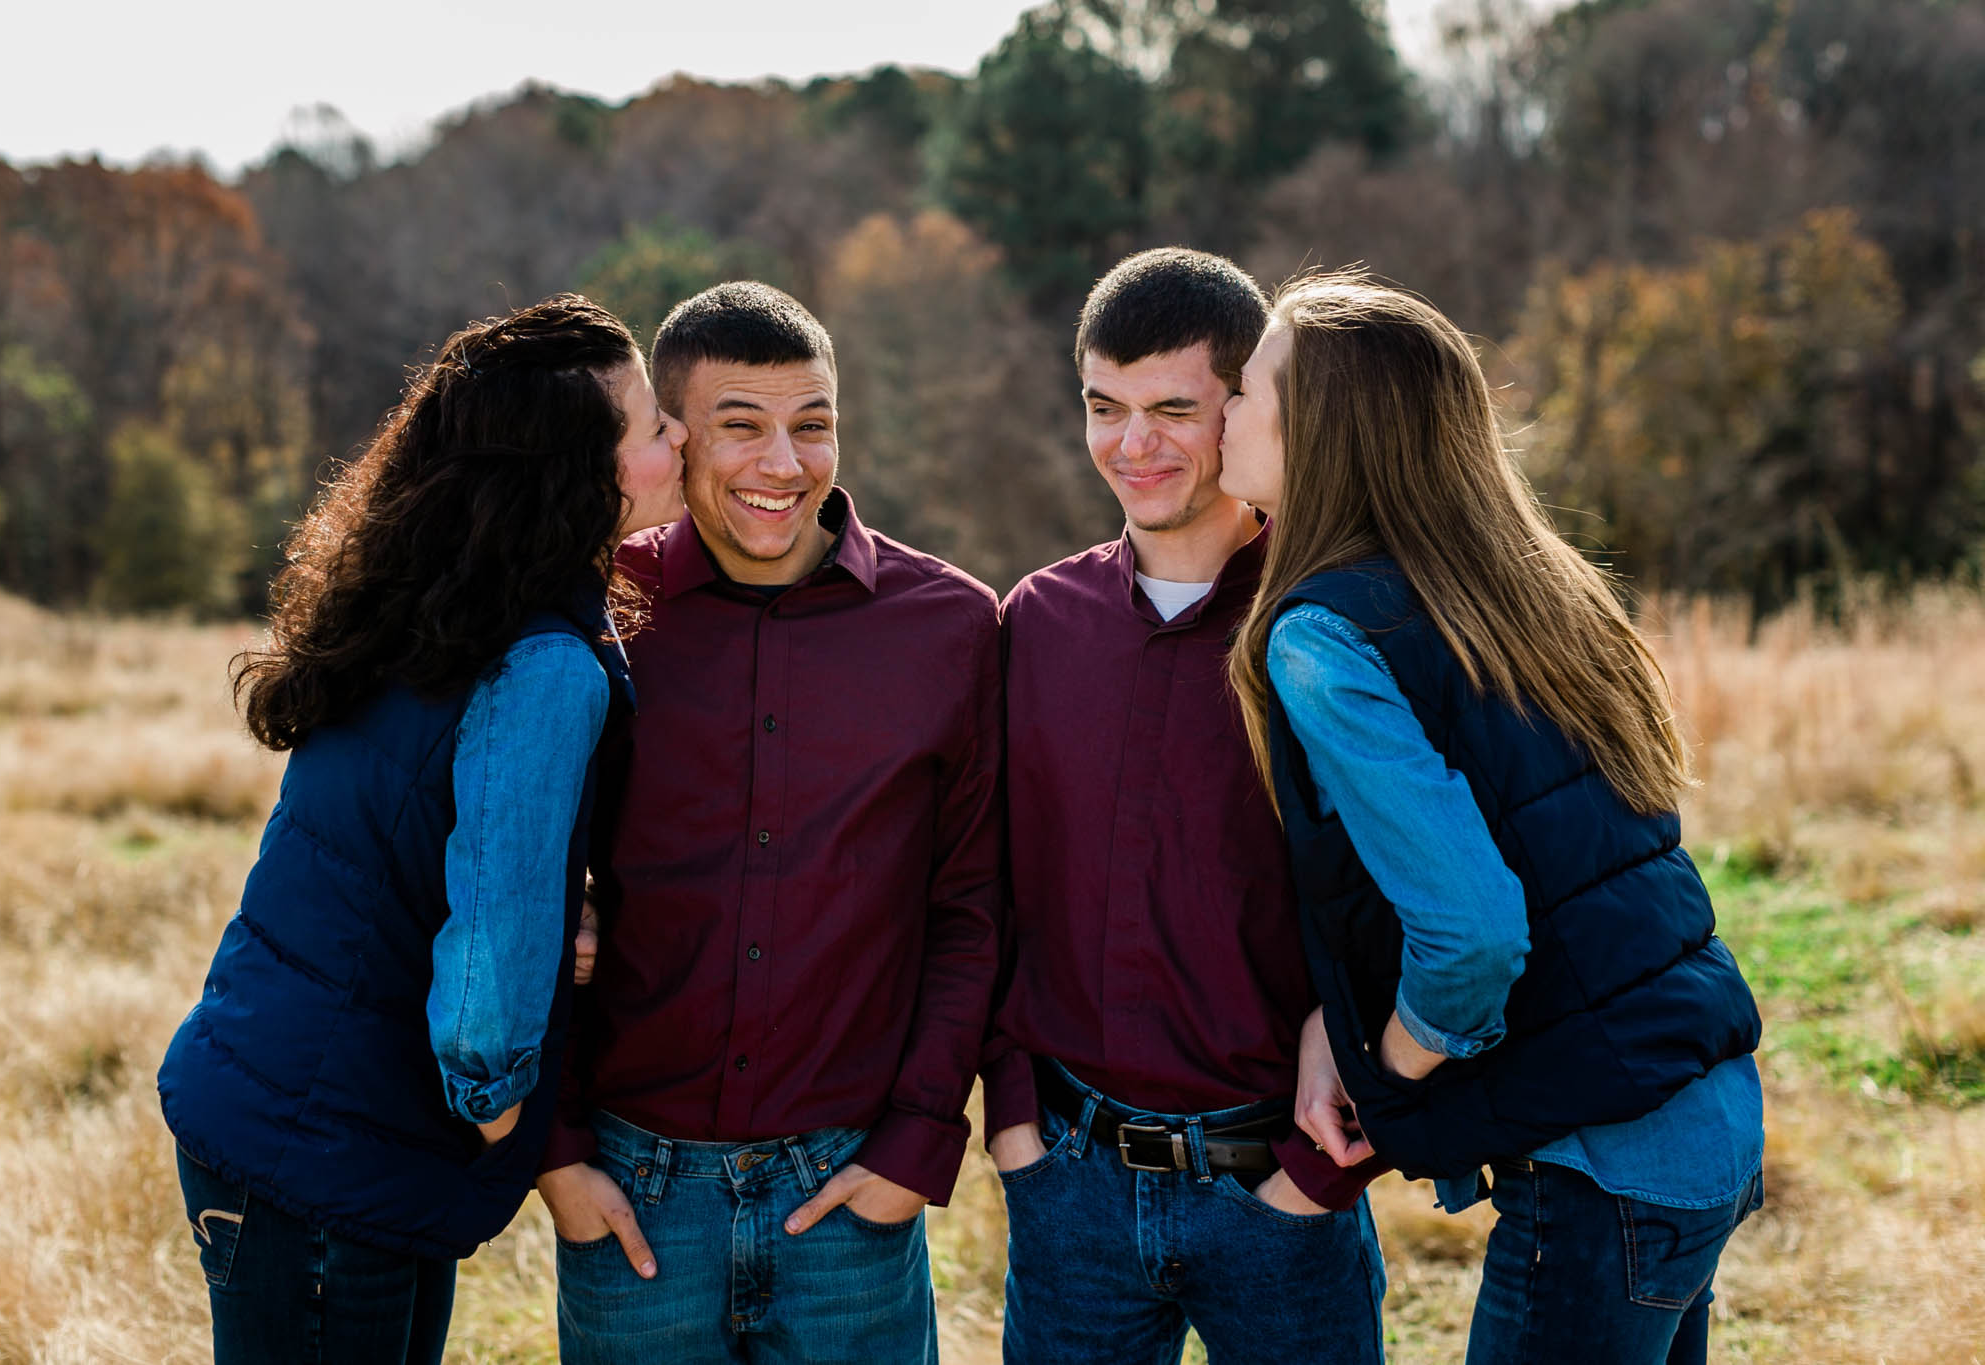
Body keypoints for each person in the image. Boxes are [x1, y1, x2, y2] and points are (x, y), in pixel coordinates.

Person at [1218, 270, 1765, 1365]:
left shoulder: (1320, 636)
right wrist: (1338, 1016)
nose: (1223, 410)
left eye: (1246, 390)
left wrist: (1390, 1065)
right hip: (1700, 1113)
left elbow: (1473, 932)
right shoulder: (1519, 584)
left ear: (1319, 433)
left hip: (1602, 1165)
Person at [156, 295, 686, 1362]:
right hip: (340, 1151)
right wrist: (496, 1109)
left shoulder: (432, 602)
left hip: (270, 1103)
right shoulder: (540, 664)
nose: (677, 439)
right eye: (651, 425)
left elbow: (417, 844)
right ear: (577, 474)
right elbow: (486, 979)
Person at [534, 282, 1001, 1365]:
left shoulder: (951, 628)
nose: (782, 465)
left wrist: (916, 1143)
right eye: (740, 427)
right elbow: (525, 882)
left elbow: (971, 907)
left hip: (845, 1191)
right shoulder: (594, 610)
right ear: (671, 437)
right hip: (630, 1191)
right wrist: (555, 1152)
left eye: (813, 424)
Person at [981, 247, 1388, 1365]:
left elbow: (1407, 898)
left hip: (1283, 1193)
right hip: (1070, 1186)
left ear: (1247, 410)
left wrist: (1312, 1182)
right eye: (1103, 408)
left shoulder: (1326, 630)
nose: (1132, 444)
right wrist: (1016, 1130)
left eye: (1172, 409)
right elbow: (990, 885)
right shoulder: (1037, 622)